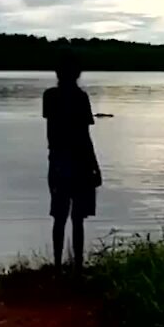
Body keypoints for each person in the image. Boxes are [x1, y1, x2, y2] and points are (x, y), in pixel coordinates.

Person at [43, 52, 102, 271]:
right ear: (76, 74)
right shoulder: (79, 97)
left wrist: (56, 158)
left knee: (60, 217)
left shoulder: (50, 96)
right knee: (77, 218)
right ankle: (77, 266)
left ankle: (59, 265)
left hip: (59, 161)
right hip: (79, 162)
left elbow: (51, 134)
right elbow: (84, 136)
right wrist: (95, 166)